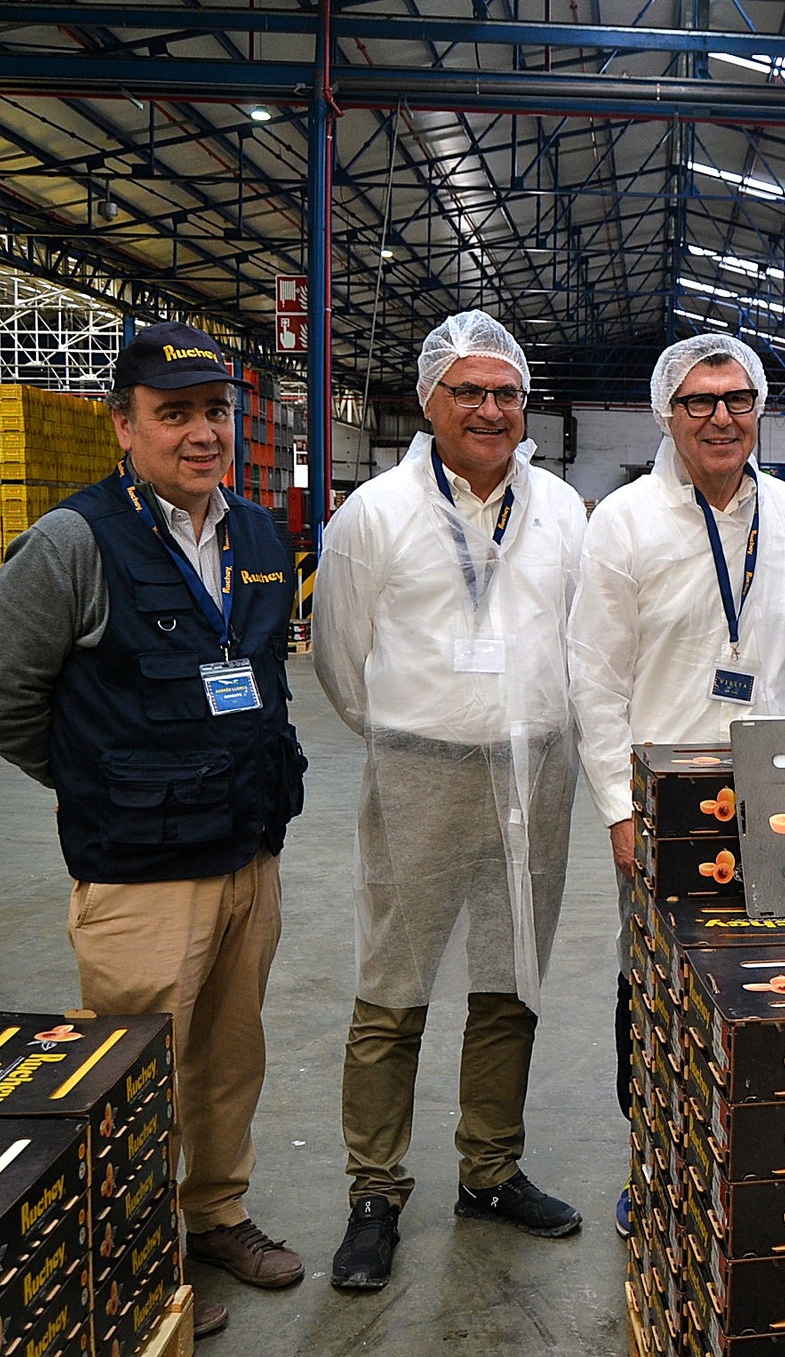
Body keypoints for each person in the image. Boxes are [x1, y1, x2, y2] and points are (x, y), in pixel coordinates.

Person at [0, 322, 309, 1340]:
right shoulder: (70, 544)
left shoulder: (258, 539)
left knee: (228, 1059)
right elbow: (4, 703)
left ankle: (214, 1214)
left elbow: (261, 680)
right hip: (141, 874)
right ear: (124, 426)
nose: (201, 433)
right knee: (133, 1073)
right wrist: (100, 783)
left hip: (248, 851)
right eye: (173, 415)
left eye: (214, 412)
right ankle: (135, 1249)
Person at [313, 312, 588, 1291]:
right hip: (420, 775)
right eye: (467, 390)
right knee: (392, 990)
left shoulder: (562, 510)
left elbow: (582, 642)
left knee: (510, 985)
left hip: (537, 776)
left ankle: (490, 1169)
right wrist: (421, 734)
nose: (488, 408)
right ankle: (374, 1190)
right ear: (429, 400)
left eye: (505, 392)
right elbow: (339, 659)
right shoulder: (375, 515)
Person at [567, 333, 785, 1237]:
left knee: (773, 986)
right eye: (699, 401)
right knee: (654, 983)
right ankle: (652, 1161)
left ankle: (758, 1167)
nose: (721, 417)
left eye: (737, 399)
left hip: (784, 801)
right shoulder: (625, 523)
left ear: (759, 408)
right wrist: (620, 806)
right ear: (667, 414)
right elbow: (594, 677)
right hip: (667, 804)